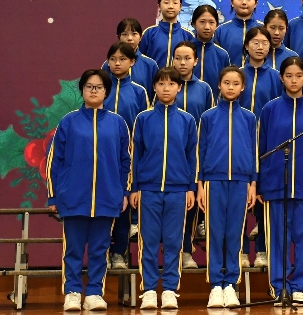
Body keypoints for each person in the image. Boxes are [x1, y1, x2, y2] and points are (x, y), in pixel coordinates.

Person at [46, 69, 131, 312]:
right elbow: (54, 160)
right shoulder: (69, 121)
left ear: (106, 91)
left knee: (99, 250)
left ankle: (94, 292)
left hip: (107, 198)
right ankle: (72, 292)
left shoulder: (118, 123)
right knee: (73, 250)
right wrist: (53, 195)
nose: (94, 91)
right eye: (89, 87)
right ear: (82, 90)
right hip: (73, 198)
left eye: (99, 87)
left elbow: (126, 161)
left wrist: (124, 192)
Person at [257, 57, 303, 306]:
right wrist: (261, 183)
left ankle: (300, 286)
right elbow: (262, 148)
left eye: (298, 75)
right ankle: (279, 286)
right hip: (276, 184)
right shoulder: (270, 109)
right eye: (289, 76)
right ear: (281, 78)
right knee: (278, 238)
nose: (294, 80)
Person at [130, 66, 198, 310]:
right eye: (161, 84)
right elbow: (136, 154)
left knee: (173, 242)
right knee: (148, 241)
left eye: (171, 84)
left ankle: (169, 289)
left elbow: (192, 156)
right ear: (154, 87)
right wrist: (134, 187)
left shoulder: (188, 120)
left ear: (179, 88)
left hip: (178, 190)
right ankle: (149, 289)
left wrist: (190, 188)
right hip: (148, 190)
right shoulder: (143, 119)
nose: (166, 88)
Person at [197, 67, 257, 309]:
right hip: (213, 181)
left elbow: (254, 151)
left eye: (235, 83)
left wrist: (253, 183)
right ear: (219, 85)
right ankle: (215, 285)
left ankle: (230, 283)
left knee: (234, 233)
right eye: (226, 83)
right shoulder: (208, 117)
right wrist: (200, 184)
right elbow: (200, 150)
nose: (230, 87)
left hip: (241, 182)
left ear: (242, 88)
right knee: (215, 233)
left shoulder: (250, 118)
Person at [103, 43, 150, 270]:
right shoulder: (101, 87)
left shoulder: (139, 92)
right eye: (113, 59)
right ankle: (102, 252)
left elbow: (144, 126)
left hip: (128, 156)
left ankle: (119, 253)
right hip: (103, 155)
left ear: (132, 62)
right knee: (102, 205)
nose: (117, 63)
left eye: (122, 59)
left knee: (123, 204)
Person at [237, 26, 280, 267]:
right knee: (241, 196)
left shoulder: (275, 76)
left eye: (264, 42)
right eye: (255, 42)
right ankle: (241, 249)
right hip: (240, 142)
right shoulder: (237, 74)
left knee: (264, 195)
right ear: (246, 46)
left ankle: (263, 248)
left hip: (267, 144)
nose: (260, 46)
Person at [171, 41, 216, 269]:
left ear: (196, 61)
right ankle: (174, 250)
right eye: (178, 58)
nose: (182, 62)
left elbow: (211, 121)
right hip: (172, 153)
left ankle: (187, 251)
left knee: (193, 201)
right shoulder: (166, 85)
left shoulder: (205, 89)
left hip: (197, 151)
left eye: (187, 58)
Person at [138, 0, 196, 69]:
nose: (170, 6)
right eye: (166, 2)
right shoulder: (149, 33)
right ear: (159, 6)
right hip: (154, 77)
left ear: (180, 7)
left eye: (175, 3)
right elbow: (140, 61)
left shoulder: (188, 35)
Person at [103, 18, 158, 98]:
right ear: (118, 37)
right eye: (125, 34)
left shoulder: (150, 65)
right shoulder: (108, 64)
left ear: (140, 37)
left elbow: (155, 94)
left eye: (134, 34)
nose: (129, 38)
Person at [213, 0, 260, 64]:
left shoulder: (263, 29)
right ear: (232, 2)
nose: (244, 2)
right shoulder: (220, 31)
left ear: (256, 3)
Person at [191, 5, 232, 85]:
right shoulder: (184, 51)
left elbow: (226, 83)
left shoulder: (222, 54)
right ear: (194, 24)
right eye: (202, 22)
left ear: (217, 25)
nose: (207, 27)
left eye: (211, 22)